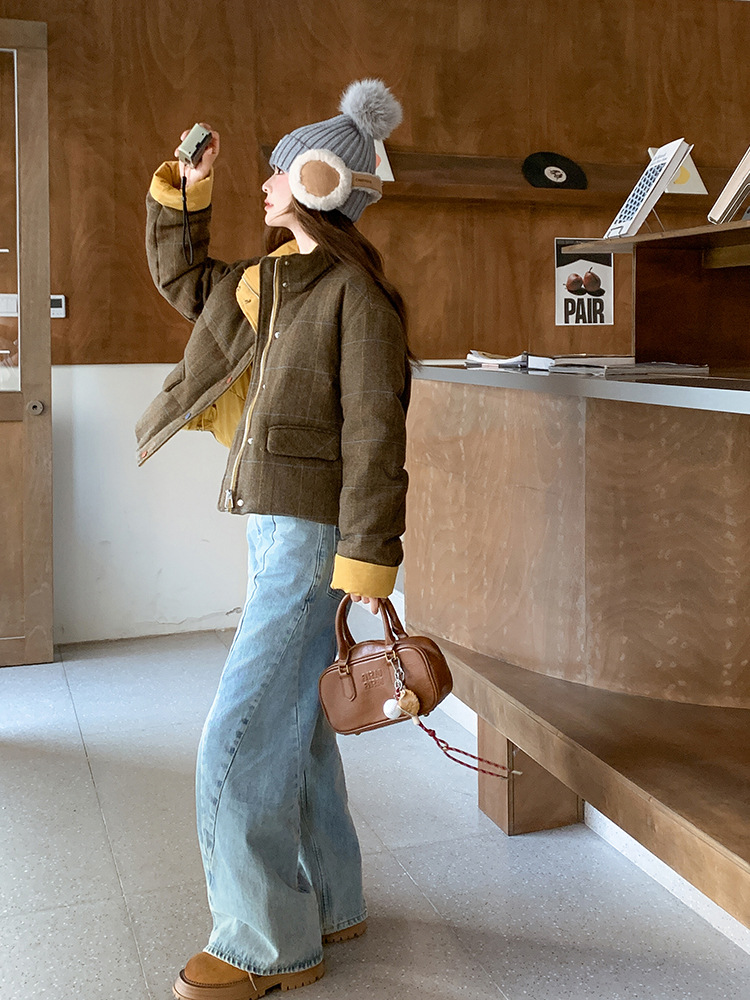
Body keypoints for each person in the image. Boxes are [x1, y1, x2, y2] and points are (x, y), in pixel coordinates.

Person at [135, 79, 411, 1000]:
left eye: (282, 170)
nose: (265, 184)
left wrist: (369, 558)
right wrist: (187, 191)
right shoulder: (270, 283)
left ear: (323, 180)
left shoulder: (357, 298)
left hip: (314, 536)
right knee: (296, 723)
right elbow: (186, 283)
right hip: (273, 524)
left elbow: (375, 436)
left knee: (240, 732)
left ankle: (264, 943)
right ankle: (332, 901)